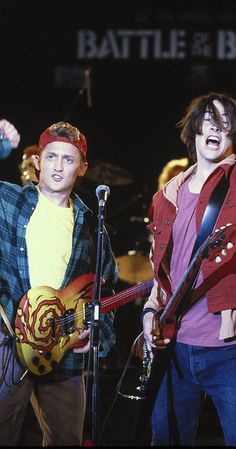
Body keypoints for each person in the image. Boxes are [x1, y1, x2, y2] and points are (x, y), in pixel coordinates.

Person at [0, 119, 118, 446]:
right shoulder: (8, 202)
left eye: (68, 159)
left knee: (67, 440)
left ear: (82, 169)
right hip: (8, 347)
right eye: (51, 157)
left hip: (63, 354)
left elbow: (104, 291)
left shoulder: (93, 229)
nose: (57, 166)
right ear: (37, 162)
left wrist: (95, 332)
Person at [141, 92, 236, 446]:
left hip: (228, 347)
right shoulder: (167, 195)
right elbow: (161, 274)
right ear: (194, 129)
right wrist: (150, 312)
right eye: (209, 119)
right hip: (176, 346)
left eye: (226, 123)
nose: (217, 127)